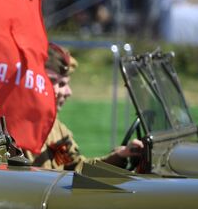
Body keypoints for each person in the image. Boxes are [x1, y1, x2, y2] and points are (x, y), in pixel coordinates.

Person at [24, 42, 143, 171]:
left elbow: (74, 167)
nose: (67, 92)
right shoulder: (13, 131)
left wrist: (120, 156)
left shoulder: (55, 129)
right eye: (56, 82)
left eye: (65, 83)